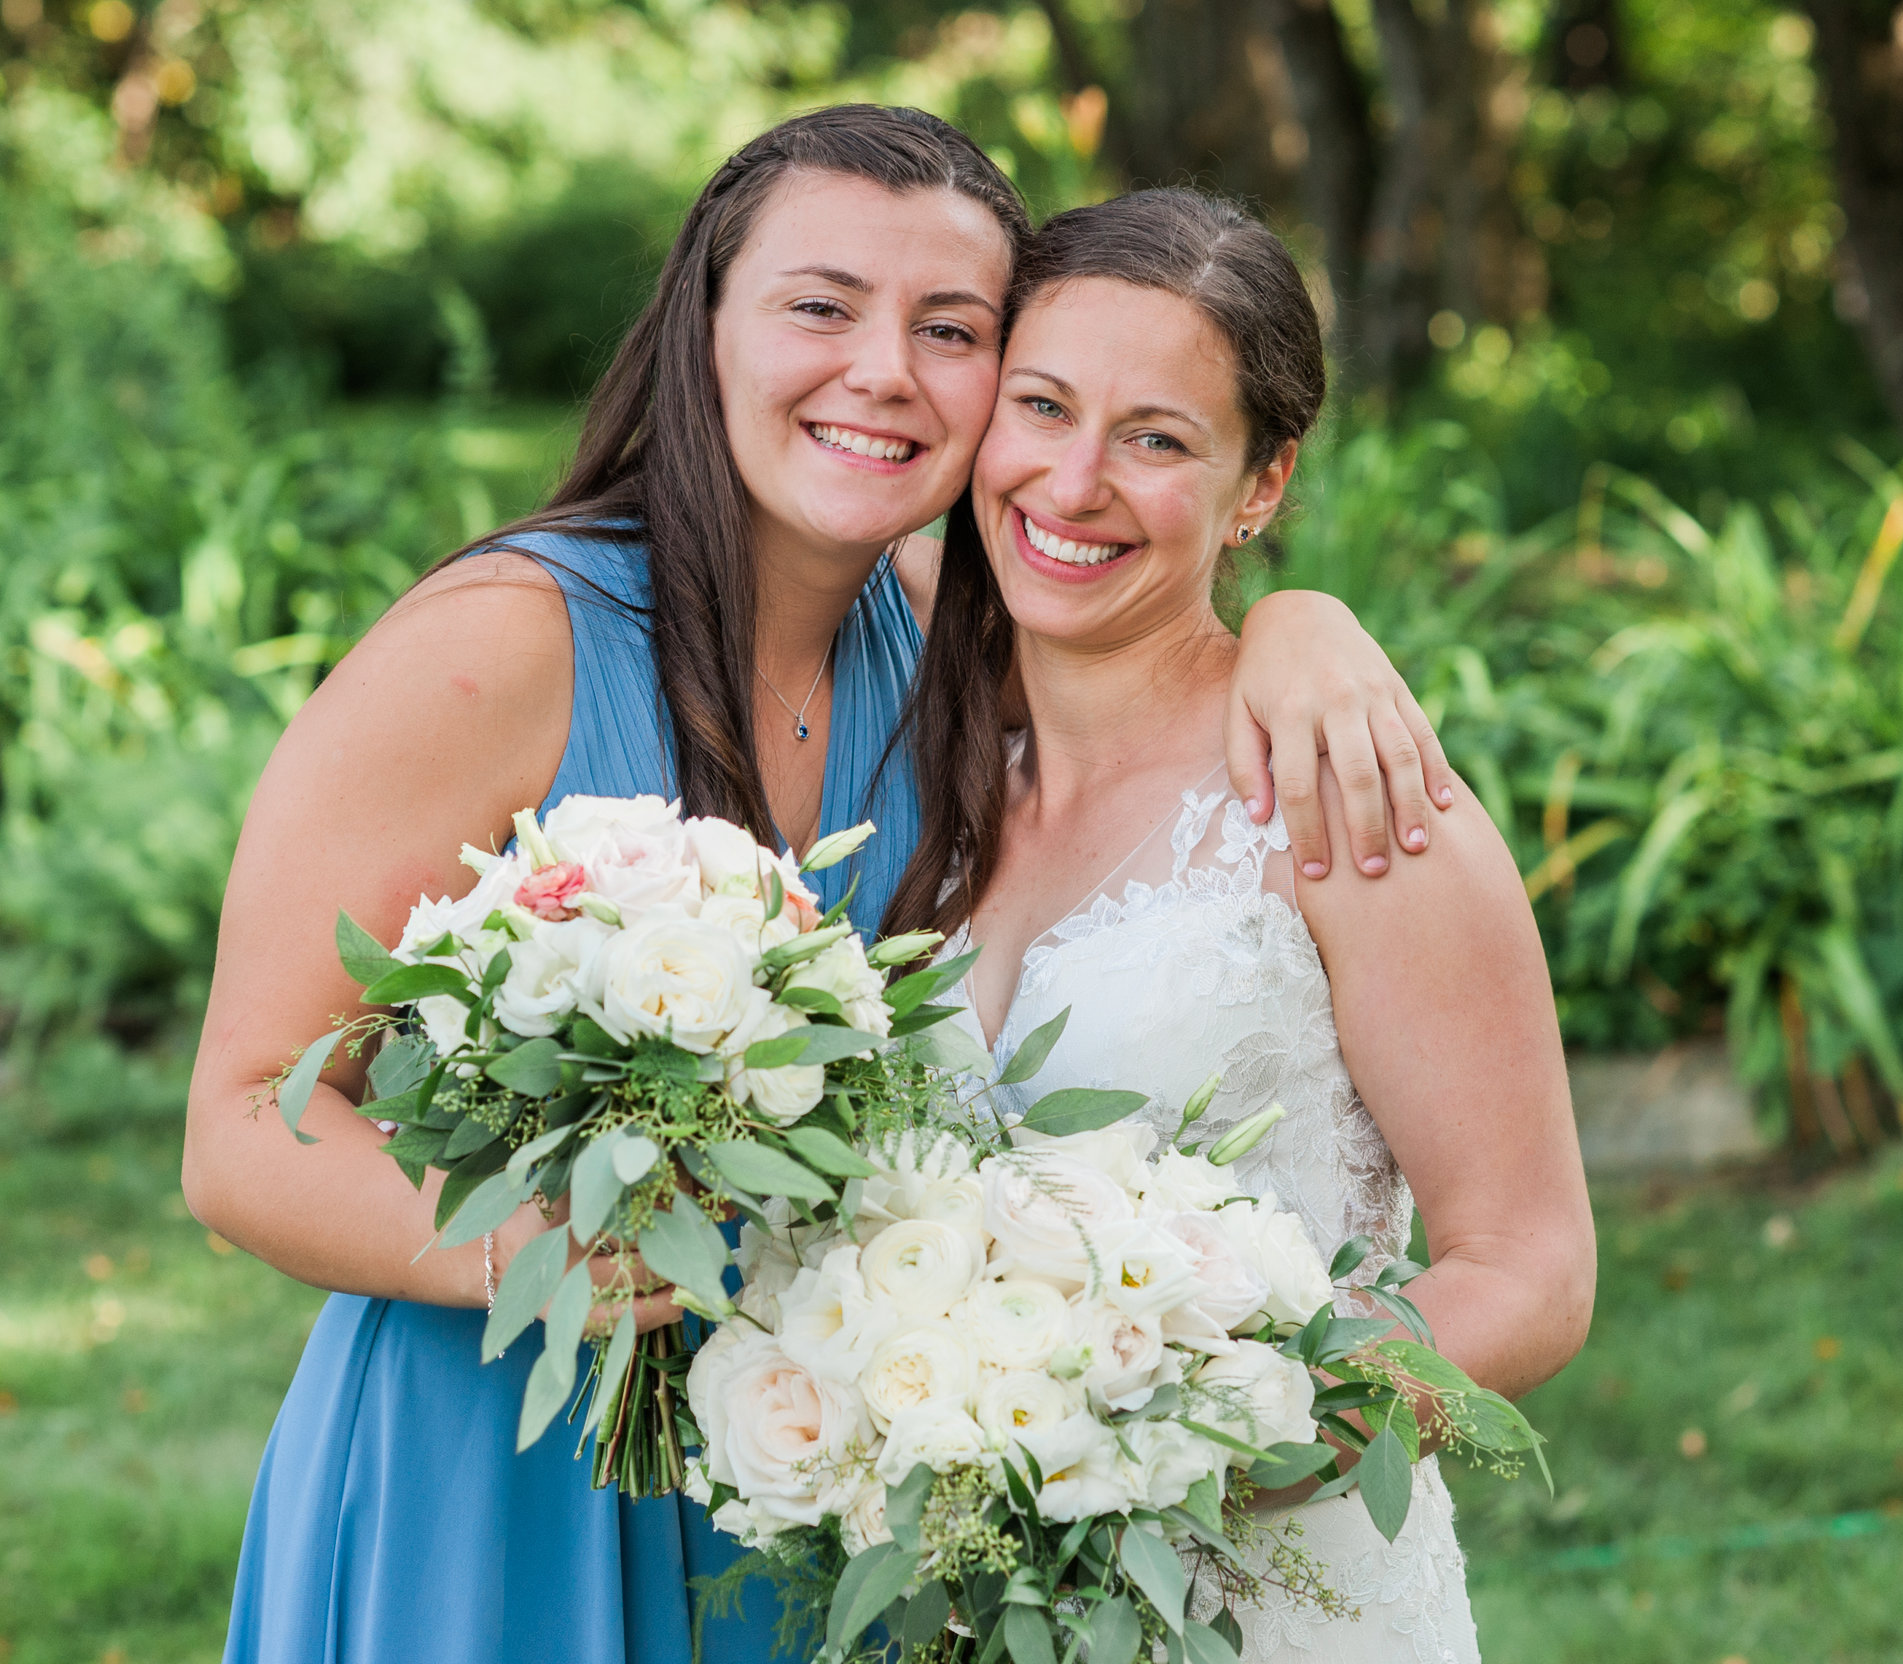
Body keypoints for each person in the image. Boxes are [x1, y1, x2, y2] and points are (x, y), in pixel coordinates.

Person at [183, 109, 1454, 1664]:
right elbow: (244, 1121)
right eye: (820, 306)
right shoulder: (503, 647)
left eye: (952, 330)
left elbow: (1154, 652)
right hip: (498, 1458)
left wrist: (1302, 625)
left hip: (807, 1484)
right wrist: (542, 1259)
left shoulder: (934, 648)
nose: (884, 372)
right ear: (703, 326)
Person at [887, 188, 1598, 1663]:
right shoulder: (908, 763)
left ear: (1259, 488)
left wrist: (1192, 1448)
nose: (1072, 483)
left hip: (1275, 1600)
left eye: (1156, 439)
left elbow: (1526, 1270)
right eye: (1042, 407)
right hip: (943, 1596)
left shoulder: (1350, 798)